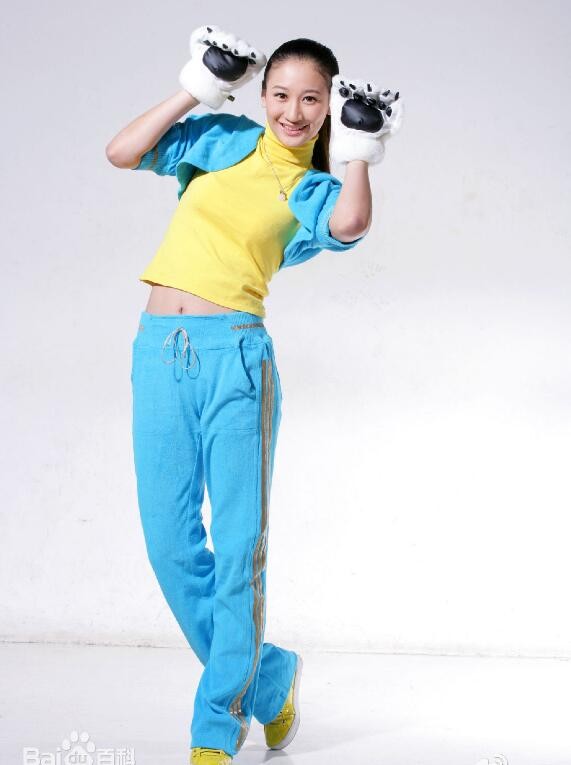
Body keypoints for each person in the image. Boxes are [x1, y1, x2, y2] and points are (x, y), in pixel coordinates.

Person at [105, 23, 402, 765]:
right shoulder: (222, 140)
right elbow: (123, 151)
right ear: (260, 93)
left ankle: (217, 724)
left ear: (330, 107)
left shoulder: (314, 186)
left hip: (236, 360)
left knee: (238, 550)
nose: (293, 112)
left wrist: (360, 149)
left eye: (311, 100)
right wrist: (197, 87)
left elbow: (350, 223)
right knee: (171, 546)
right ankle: (267, 677)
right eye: (280, 94)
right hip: (157, 354)